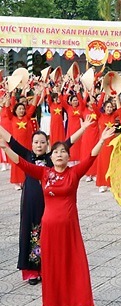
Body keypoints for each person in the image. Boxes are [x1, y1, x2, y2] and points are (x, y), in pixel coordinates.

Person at [0, 127, 115, 306]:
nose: (59, 154)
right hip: (49, 231)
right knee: (52, 270)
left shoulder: (74, 173)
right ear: (50, 157)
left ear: (69, 156)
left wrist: (102, 139)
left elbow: (90, 157)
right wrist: (5, 148)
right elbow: (21, 162)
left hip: (70, 230)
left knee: (71, 268)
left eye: (63, 151)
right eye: (55, 152)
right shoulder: (43, 173)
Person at [0, 118, 92, 286]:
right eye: (36, 142)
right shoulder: (26, 155)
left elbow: (69, 142)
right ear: (32, 144)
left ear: (48, 144)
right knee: (30, 232)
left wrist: (84, 128)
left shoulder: (52, 157)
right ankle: (31, 272)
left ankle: (46, 269)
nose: (39, 145)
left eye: (42, 142)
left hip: (49, 205)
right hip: (30, 202)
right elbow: (10, 139)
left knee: (47, 236)